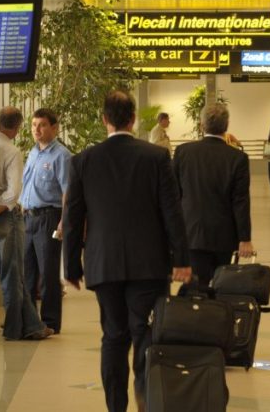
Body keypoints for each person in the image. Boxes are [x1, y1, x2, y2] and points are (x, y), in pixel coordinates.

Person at [63, 90, 191, 412]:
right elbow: (171, 212)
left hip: (103, 265)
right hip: (149, 264)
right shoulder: (156, 157)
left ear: (104, 119)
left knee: (113, 336)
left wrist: (72, 267)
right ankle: (146, 402)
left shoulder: (83, 161)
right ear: (133, 119)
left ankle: (115, 407)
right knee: (146, 336)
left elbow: (73, 217)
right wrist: (182, 260)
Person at [0, 106, 54, 341]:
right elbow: (13, 192)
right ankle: (14, 329)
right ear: (17, 127)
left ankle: (32, 325)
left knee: (7, 272)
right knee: (12, 274)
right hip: (3, 216)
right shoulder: (11, 151)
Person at [173, 103, 254, 287]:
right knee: (223, 288)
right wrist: (245, 238)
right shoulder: (237, 158)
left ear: (202, 125)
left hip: (192, 234)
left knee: (195, 290)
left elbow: (174, 196)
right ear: (227, 125)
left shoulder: (183, 153)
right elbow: (240, 201)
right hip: (225, 237)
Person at [20, 108, 71, 333]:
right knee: (27, 272)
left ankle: (50, 322)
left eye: (41, 125)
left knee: (48, 273)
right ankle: (30, 320)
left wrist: (63, 222)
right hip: (28, 218)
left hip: (50, 217)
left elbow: (68, 192)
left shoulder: (61, 155)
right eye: (33, 125)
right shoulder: (33, 152)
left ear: (54, 128)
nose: (36, 130)